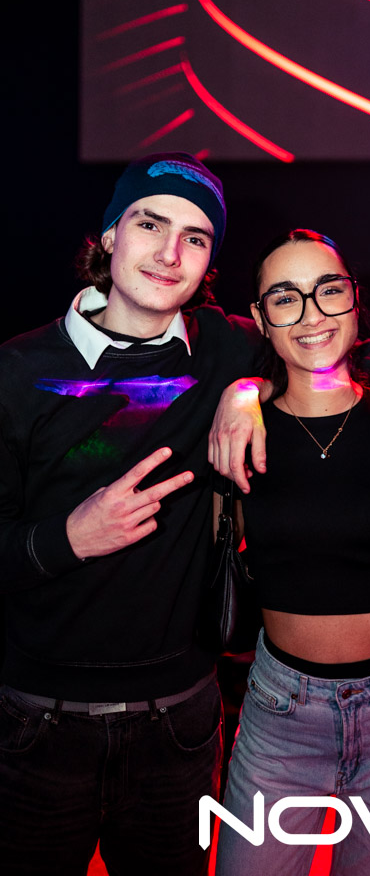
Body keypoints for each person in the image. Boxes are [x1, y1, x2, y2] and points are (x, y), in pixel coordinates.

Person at [0, 152, 263, 876]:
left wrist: (248, 390)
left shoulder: (225, 349)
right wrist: (67, 539)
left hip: (178, 725)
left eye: (195, 237)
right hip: (39, 723)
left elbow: (337, 354)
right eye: (151, 224)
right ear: (111, 235)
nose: (170, 253)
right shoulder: (16, 371)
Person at [215, 229, 370, 875]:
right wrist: (241, 391)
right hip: (280, 710)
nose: (311, 314)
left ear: (354, 298)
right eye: (285, 298)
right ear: (260, 317)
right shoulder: (237, 431)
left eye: (328, 290)